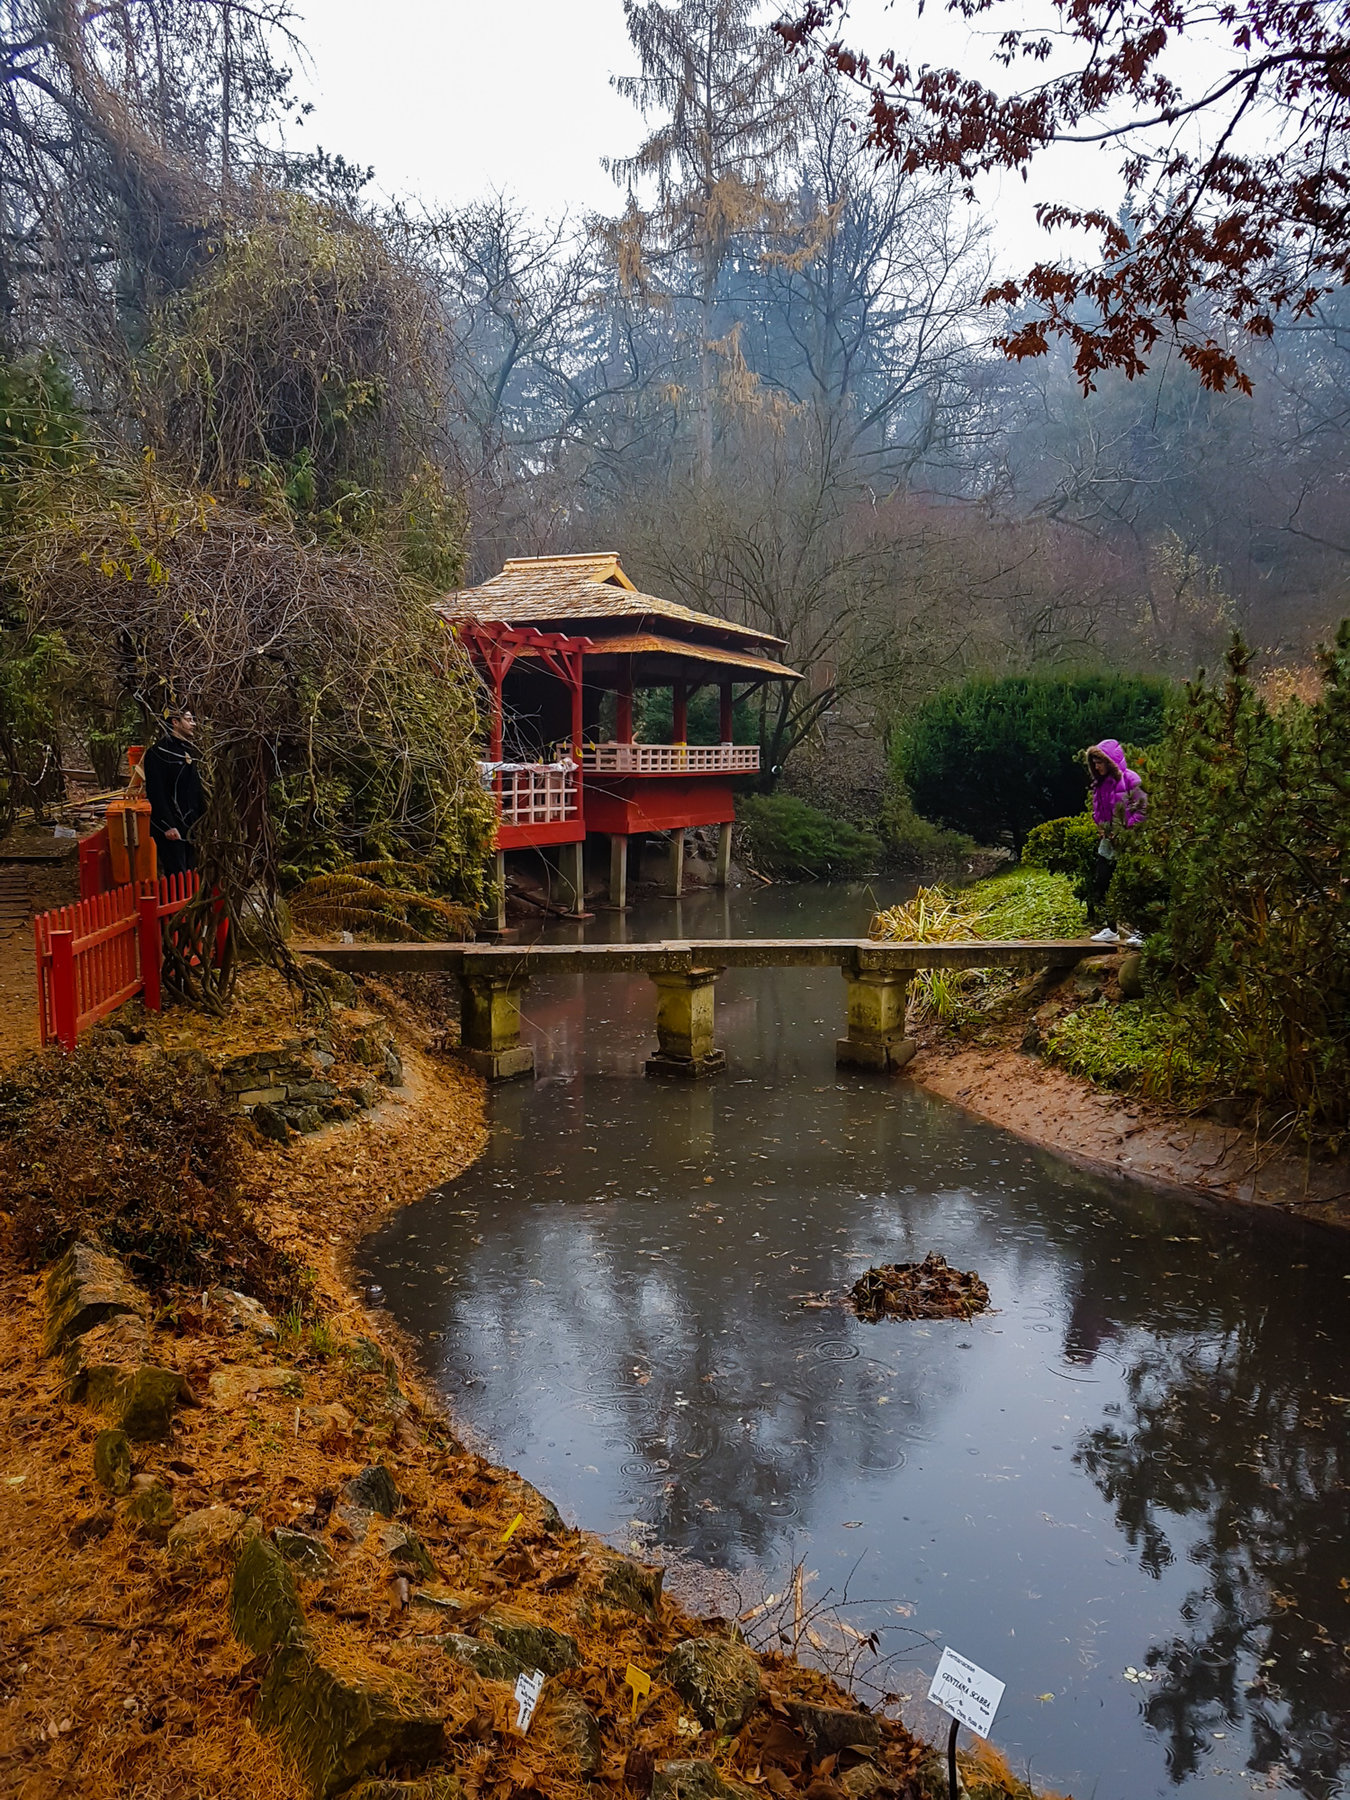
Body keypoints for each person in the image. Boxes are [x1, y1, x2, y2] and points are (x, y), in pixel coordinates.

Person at [1085, 738, 1146, 946]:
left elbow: (1142, 809)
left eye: (1099, 762)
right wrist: (1101, 827)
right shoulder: (1099, 784)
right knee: (1102, 883)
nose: (1096, 766)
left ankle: (1141, 931)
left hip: (1128, 841)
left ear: (1110, 761)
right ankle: (1111, 929)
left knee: (1132, 885)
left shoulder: (1130, 779)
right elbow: (1098, 810)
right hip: (1108, 842)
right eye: (1093, 762)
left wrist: (1126, 830)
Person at [143, 706, 206, 879]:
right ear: (175, 722)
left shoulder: (187, 752)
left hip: (190, 824)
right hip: (171, 826)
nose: (193, 724)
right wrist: (167, 825)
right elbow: (156, 792)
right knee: (176, 875)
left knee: (191, 872)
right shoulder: (158, 753)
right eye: (189, 720)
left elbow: (195, 790)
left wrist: (205, 820)